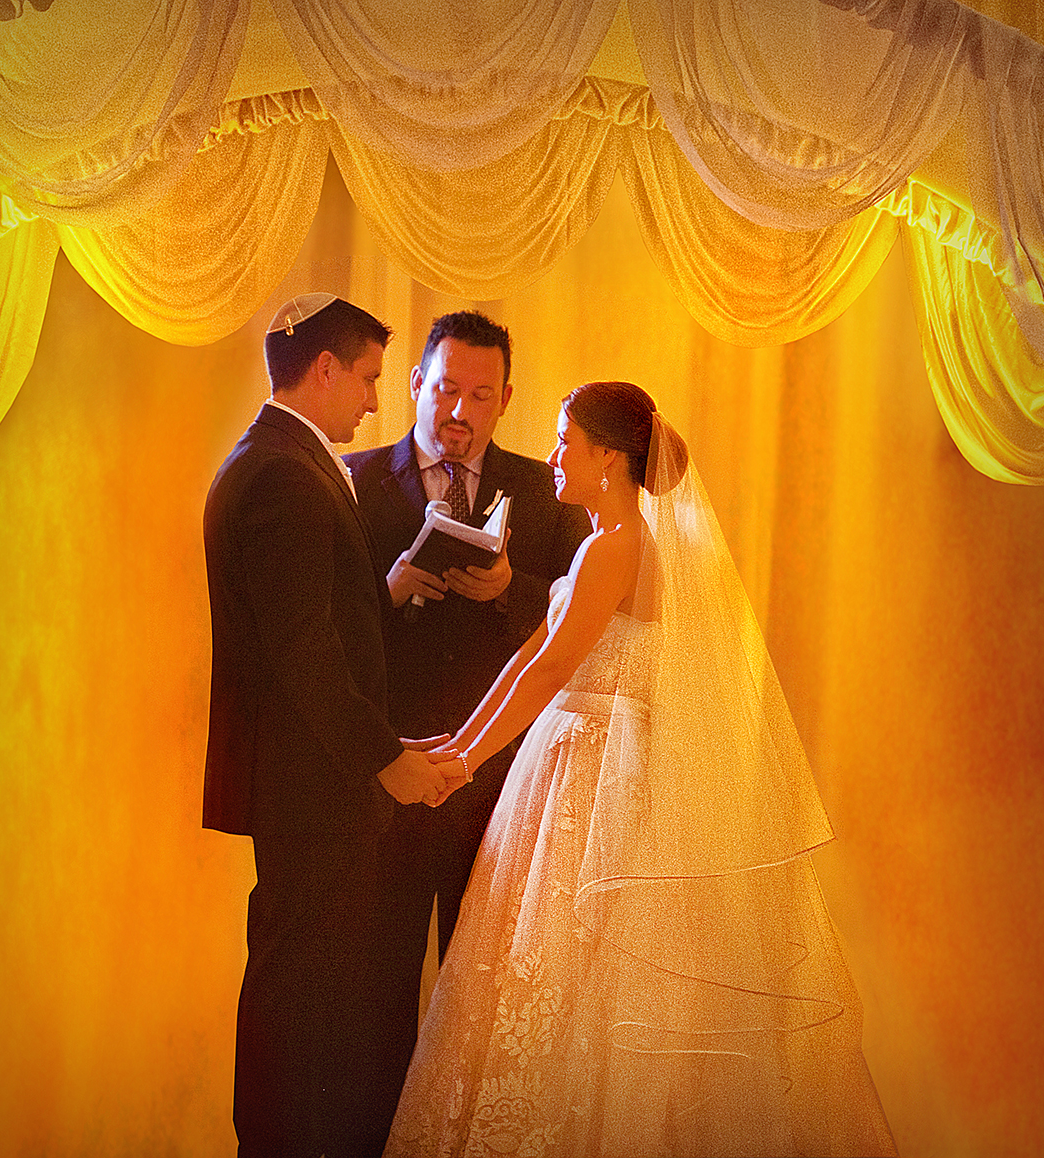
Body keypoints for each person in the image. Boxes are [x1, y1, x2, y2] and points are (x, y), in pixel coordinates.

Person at [385, 381, 898, 1157]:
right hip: (572, 765)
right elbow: (532, 654)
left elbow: (552, 669)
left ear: (612, 456)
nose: (553, 457)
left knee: (582, 977)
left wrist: (465, 763)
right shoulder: (610, 541)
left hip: (591, 781)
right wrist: (461, 742)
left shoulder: (615, 544)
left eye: (567, 442)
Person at [201, 292, 456, 1158]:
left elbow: (313, 622)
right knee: (296, 1007)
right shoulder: (282, 476)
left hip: (312, 789)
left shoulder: (284, 462)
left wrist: (380, 597)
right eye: (370, 379)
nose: (377, 402)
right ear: (324, 370)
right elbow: (303, 656)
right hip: (311, 795)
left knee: (311, 1008)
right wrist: (386, 763)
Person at [343, 311, 591, 1104]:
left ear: (506, 399)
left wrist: (509, 592)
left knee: (480, 1008)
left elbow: (578, 634)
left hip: (497, 791)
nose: (460, 411)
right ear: (415, 384)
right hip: (379, 782)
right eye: (446, 389)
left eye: (481, 395)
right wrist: (386, 593)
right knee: (370, 1007)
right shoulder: (349, 481)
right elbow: (315, 645)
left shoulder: (547, 493)